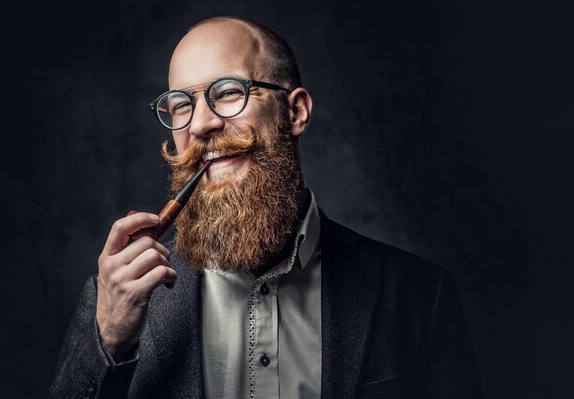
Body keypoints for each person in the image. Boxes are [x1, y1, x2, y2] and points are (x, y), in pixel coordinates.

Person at [50, 16, 480, 399]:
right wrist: (108, 339)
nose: (200, 124)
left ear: (295, 112)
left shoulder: (418, 297)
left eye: (228, 92)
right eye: (182, 104)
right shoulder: (115, 300)